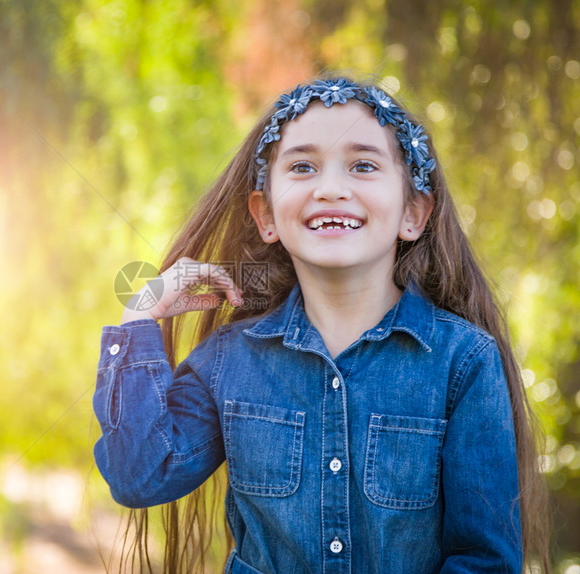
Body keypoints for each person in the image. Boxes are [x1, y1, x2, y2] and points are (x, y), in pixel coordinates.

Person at [93, 76, 549, 573]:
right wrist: (137, 320)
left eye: (364, 165)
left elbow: (485, 561)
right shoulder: (229, 362)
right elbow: (139, 474)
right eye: (303, 167)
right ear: (266, 215)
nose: (331, 188)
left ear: (413, 213)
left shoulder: (463, 362)